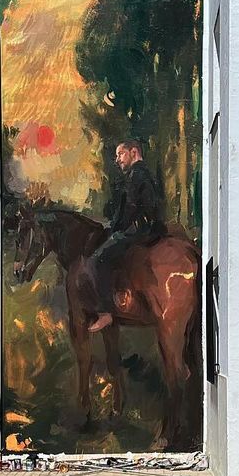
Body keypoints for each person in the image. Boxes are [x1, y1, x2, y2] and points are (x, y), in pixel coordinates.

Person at [87, 140, 165, 333]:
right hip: (142, 228)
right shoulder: (138, 174)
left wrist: (118, 230)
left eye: (120, 154)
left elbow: (134, 211)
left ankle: (105, 313)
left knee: (98, 260)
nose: (117, 159)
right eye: (116, 155)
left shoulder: (138, 175)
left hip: (140, 230)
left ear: (134, 152)